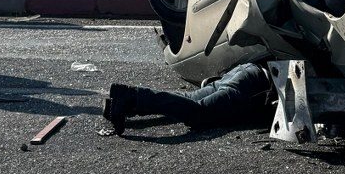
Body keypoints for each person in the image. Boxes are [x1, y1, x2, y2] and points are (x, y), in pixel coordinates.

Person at [102, 62, 272, 135]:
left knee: (188, 100)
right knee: (198, 113)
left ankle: (125, 105)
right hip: (255, 85)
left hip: (248, 71)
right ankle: (130, 97)